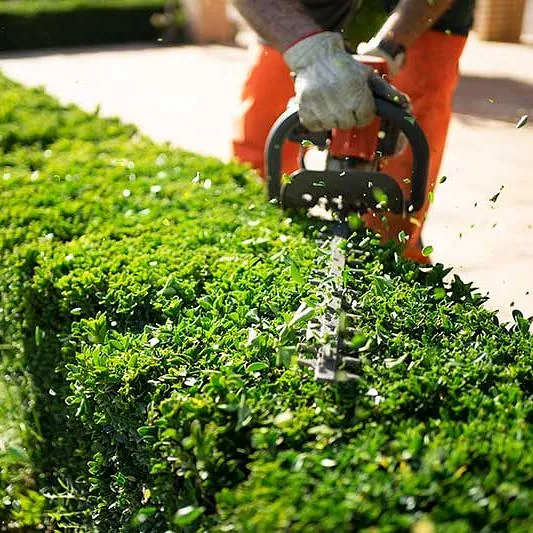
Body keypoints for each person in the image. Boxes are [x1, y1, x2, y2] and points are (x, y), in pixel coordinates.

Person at [231, 0, 476, 263]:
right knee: (260, 148)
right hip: (301, 7)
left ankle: (393, 256)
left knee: (404, 184)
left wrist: (390, 48)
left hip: (422, 12)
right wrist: (310, 53)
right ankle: (264, 252)